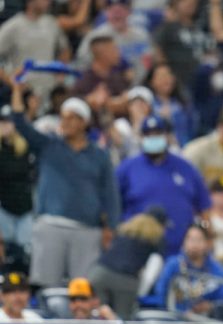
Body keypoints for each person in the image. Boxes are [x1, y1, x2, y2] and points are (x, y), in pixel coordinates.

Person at [11, 81, 120, 288]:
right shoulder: (49, 145)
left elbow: (110, 195)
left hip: (87, 229)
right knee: (45, 285)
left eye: (72, 118)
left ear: (84, 122)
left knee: (84, 288)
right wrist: (17, 92)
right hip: (50, 224)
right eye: (63, 117)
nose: (66, 122)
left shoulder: (99, 156)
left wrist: (111, 228)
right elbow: (21, 124)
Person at [116, 114, 211, 256]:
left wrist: (208, 235)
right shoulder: (127, 168)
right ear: (141, 138)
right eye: (148, 134)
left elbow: (204, 207)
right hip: (136, 250)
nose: (153, 138)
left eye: (158, 134)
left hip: (180, 252)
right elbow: (113, 205)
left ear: (167, 136)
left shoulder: (185, 168)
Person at [87, 207, 166, 319]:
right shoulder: (156, 238)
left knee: (98, 318)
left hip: (99, 273)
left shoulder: (125, 231)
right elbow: (153, 269)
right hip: (126, 279)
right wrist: (141, 292)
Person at [140, 223, 223, 314]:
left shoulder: (217, 270)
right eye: (191, 239)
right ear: (184, 242)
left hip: (206, 322)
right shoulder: (173, 265)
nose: (194, 244)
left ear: (206, 244)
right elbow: (160, 293)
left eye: (199, 240)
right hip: (174, 321)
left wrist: (211, 306)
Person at [0, 0, 71, 101]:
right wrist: (10, 81)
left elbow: (65, 49)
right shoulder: (13, 26)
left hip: (50, 92)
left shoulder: (51, 23)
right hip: (25, 93)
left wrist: (61, 74)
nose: (49, 1)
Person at [76, 0, 153, 83]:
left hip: (141, 84)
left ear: (129, 11)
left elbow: (149, 60)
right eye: (112, 10)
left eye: (120, 10)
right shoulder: (96, 36)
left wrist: (140, 77)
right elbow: (82, 63)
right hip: (106, 86)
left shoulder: (141, 35)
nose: (117, 14)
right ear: (106, 12)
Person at [153, 0, 208, 92]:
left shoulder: (201, 27)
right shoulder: (168, 28)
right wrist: (165, 74)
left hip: (202, 79)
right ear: (176, 4)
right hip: (180, 80)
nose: (189, 4)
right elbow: (158, 50)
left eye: (193, 2)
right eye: (184, 1)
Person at [0, 105, 34, 253]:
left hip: (25, 206)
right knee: (6, 251)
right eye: (2, 122)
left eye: (9, 122)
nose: (6, 126)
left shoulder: (26, 145)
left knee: (24, 252)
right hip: (3, 207)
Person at [72, 35, 130, 118]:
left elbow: (125, 99)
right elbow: (72, 101)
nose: (118, 53)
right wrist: (88, 100)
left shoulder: (117, 77)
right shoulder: (84, 79)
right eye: (114, 49)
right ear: (103, 53)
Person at [146, 62, 195, 147]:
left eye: (168, 75)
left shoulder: (183, 103)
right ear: (152, 82)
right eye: (161, 76)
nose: (166, 79)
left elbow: (192, 128)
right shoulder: (148, 105)